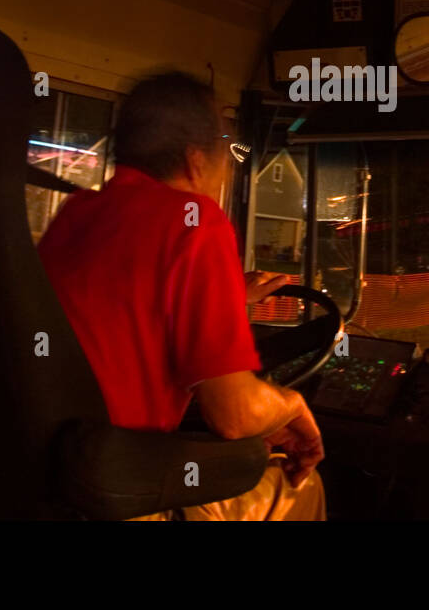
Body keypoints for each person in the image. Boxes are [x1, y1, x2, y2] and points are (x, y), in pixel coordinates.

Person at [38, 72, 326, 520]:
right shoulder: (195, 220)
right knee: (294, 487)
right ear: (195, 160)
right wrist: (292, 404)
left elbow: (121, 315)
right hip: (114, 490)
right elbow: (235, 415)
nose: (226, 170)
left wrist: (230, 302)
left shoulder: (77, 214)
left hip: (44, 477)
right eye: (224, 155)